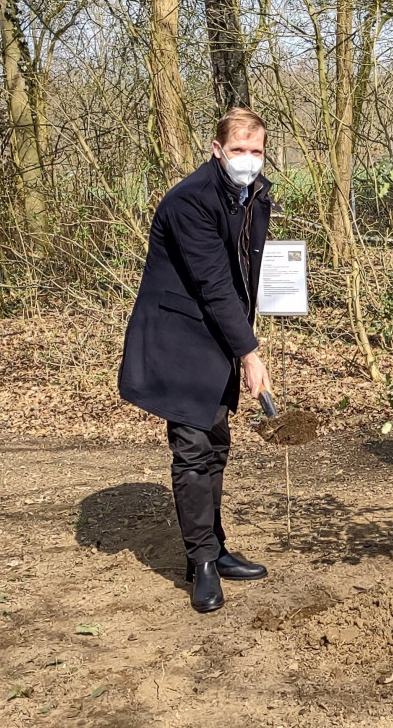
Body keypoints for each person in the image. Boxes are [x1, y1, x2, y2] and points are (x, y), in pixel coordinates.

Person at [119, 108, 274, 612]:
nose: (248, 161)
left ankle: (215, 547)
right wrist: (250, 353)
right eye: (238, 152)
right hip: (179, 335)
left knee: (217, 440)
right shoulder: (190, 200)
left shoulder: (254, 194)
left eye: (256, 151)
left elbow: (245, 268)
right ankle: (201, 563)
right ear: (216, 150)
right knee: (191, 447)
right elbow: (211, 282)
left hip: (218, 332)